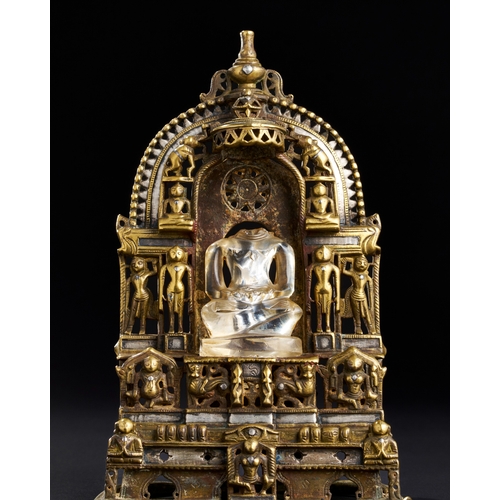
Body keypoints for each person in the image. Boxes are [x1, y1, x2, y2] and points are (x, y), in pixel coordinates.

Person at [201, 227, 302, 339]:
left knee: (293, 310)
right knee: (209, 310)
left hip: (268, 299)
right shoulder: (221, 245)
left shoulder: (280, 245)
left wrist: (267, 294)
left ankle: (248, 332)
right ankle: (257, 331)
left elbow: (286, 289)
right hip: (235, 299)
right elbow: (214, 289)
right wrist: (231, 295)